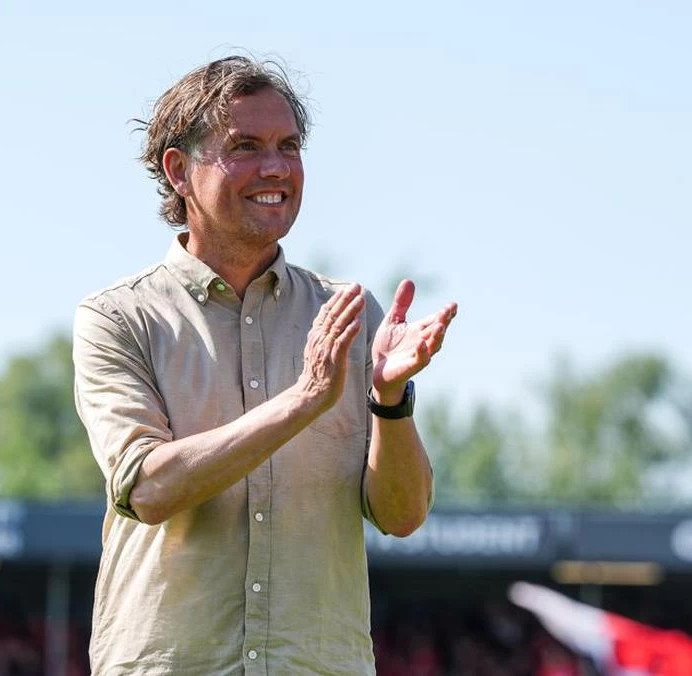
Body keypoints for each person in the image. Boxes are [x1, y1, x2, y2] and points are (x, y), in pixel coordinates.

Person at [71, 54, 458, 675]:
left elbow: (403, 516)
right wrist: (304, 400)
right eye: (245, 147)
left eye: (289, 146)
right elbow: (147, 488)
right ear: (179, 171)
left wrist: (390, 401)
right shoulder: (118, 317)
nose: (276, 167)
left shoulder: (349, 315)